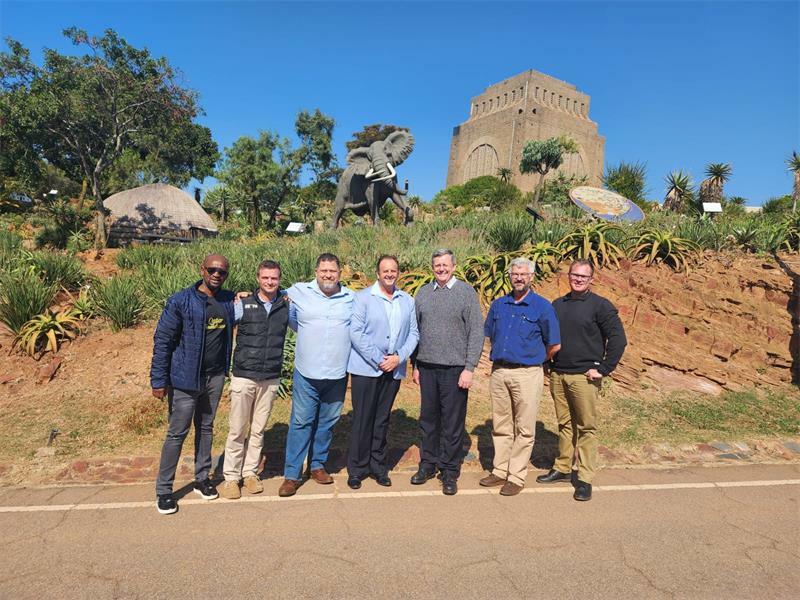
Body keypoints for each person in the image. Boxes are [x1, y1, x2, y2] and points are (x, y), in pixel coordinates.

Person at [150, 254, 235, 515]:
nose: (216, 274)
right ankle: (164, 490)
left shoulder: (227, 300)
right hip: (185, 379)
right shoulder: (180, 301)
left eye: (222, 272)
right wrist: (158, 380)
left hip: (214, 377)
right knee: (177, 433)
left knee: (206, 428)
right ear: (202, 270)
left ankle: (202, 479)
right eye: (212, 270)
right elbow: (163, 341)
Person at [537, 259, 627, 501]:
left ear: (591, 280)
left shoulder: (601, 306)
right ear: (568, 276)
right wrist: (547, 362)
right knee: (565, 424)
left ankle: (585, 478)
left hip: (584, 377)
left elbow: (618, 339)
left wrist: (604, 369)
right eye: (574, 275)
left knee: (586, 427)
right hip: (559, 374)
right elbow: (549, 336)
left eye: (583, 276)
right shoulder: (558, 305)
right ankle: (563, 467)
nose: (578, 279)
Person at [481, 258, 560, 496]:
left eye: (523, 274)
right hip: (499, 372)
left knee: (524, 427)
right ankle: (500, 470)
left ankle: (516, 476)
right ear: (509, 276)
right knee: (501, 424)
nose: (518, 278)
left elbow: (554, 344)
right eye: (515, 274)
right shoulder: (499, 305)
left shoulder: (542, 307)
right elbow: (490, 336)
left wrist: (534, 359)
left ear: (531, 277)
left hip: (527, 373)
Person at [278, 253, 355, 497]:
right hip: (307, 372)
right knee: (301, 422)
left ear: (339, 273)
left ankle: (317, 465)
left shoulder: (351, 298)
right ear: (316, 272)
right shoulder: (299, 291)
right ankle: (292, 475)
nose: (328, 275)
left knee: (327, 422)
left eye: (332, 271)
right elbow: (281, 306)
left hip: (337, 373)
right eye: (324, 271)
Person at [411, 249, 484, 495]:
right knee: (428, 420)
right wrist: (416, 365)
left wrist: (469, 368)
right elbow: (416, 332)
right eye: (437, 265)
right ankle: (428, 464)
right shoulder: (423, 293)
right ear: (432, 268)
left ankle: (449, 470)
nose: (441, 269)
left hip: (455, 369)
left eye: (445, 265)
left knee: (452, 423)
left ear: (453, 266)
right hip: (427, 367)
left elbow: (476, 332)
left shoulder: (466, 293)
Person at [346, 255, 419, 489]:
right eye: (385, 270)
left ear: (398, 273)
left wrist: (399, 357)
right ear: (377, 273)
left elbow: (414, 334)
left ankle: (378, 467)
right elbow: (356, 332)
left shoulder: (407, 300)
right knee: (363, 419)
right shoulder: (363, 298)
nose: (389, 274)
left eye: (393, 270)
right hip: (366, 369)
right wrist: (379, 359)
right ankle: (357, 469)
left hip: (393, 369)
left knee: (382, 420)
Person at [220, 260, 289, 500]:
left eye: (274, 278)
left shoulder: (285, 305)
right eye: (265, 277)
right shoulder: (243, 304)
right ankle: (231, 477)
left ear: (279, 280)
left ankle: (250, 473)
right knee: (237, 429)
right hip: (244, 375)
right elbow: (223, 324)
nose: (270, 282)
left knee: (258, 430)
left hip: (270, 377)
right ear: (258, 278)